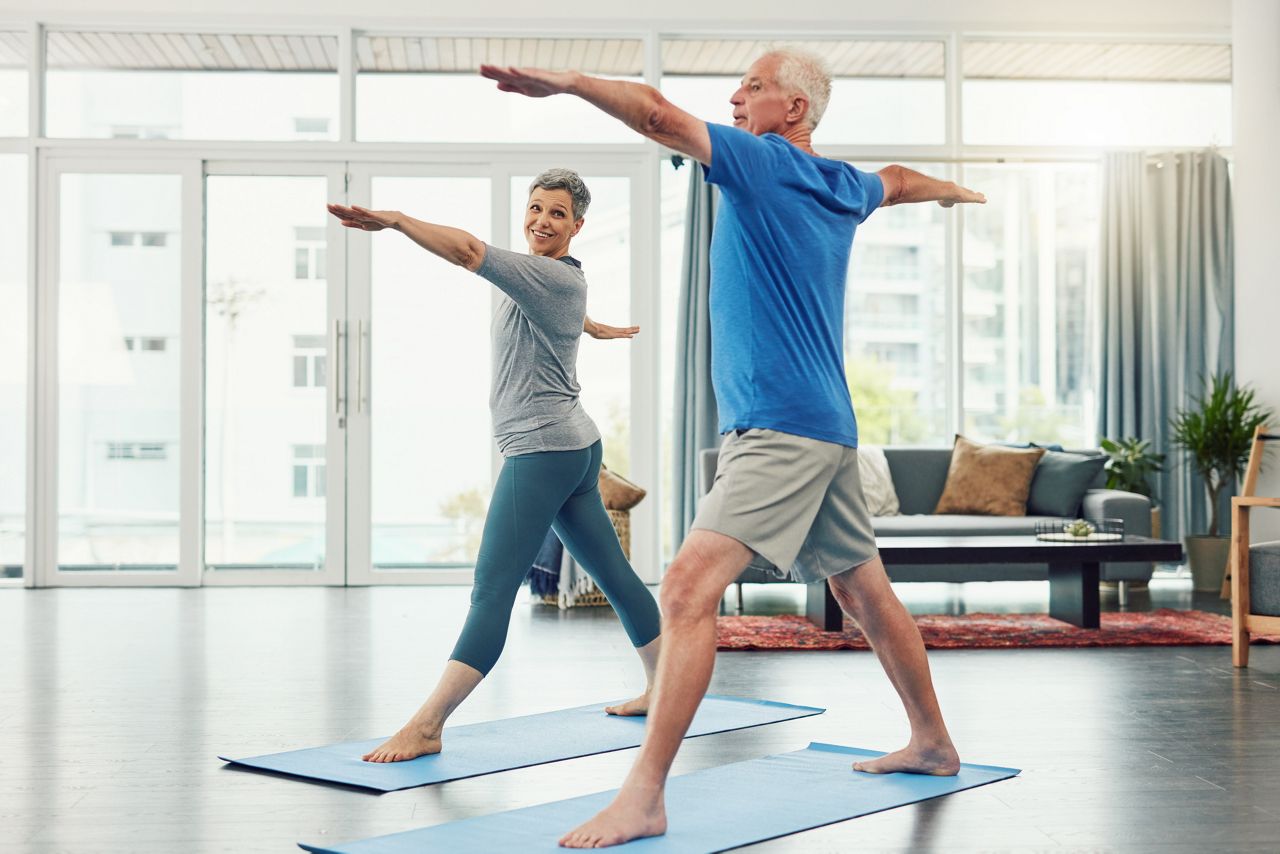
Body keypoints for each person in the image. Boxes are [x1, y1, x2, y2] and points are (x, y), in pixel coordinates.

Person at [481, 49, 987, 848]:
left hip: (781, 427)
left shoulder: (762, 162)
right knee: (862, 591)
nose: (735, 96)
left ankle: (644, 795)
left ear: (794, 110)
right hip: (826, 425)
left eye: (752, 86)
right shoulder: (842, 183)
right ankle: (931, 741)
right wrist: (950, 189)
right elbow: (896, 178)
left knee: (684, 590)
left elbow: (656, 115)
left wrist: (570, 84)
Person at [326, 168, 662, 763]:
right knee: (614, 575)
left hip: (542, 450)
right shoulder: (556, 278)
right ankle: (665, 687)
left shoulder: (544, 275)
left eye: (557, 214)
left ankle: (428, 726)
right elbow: (556, 302)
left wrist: (397, 220)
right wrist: (588, 326)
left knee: (491, 592)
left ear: (577, 226)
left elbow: (469, 250)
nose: (541, 221)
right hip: (575, 448)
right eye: (535, 208)